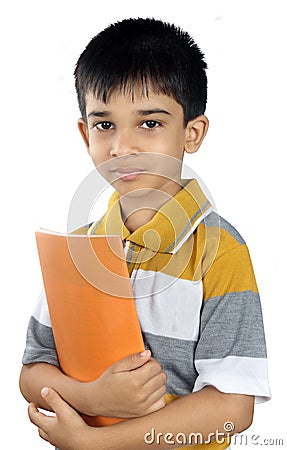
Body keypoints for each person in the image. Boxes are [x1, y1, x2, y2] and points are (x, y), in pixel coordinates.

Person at [20, 18, 271, 450]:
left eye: (149, 123)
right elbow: (33, 369)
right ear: (85, 134)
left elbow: (233, 408)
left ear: (192, 133)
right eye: (105, 125)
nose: (123, 147)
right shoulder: (77, 248)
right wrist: (89, 396)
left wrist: (97, 442)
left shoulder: (220, 252)